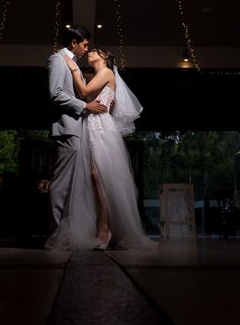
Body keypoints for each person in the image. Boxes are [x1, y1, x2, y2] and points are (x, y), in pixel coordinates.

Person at [45, 46, 156, 251]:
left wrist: (74, 69)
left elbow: (85, 92)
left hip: (101, 128)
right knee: (94, 177)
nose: (89, 52)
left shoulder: (106, 72)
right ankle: (101, 227)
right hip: (89, 126)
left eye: (94, 50)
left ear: (104, 57)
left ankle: (105, 229)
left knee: (99, 175)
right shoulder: (95, 75)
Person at [47, 25, 108, 233]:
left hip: (78, 130)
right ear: (74, 43)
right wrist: (85, 106)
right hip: (67, 129)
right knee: (62, 184)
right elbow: (55, 94)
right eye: (84, 44)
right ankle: (57, 234)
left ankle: (68, 232)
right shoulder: (57, 60)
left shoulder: (72, 64)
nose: (86, 49)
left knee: (73, 185)